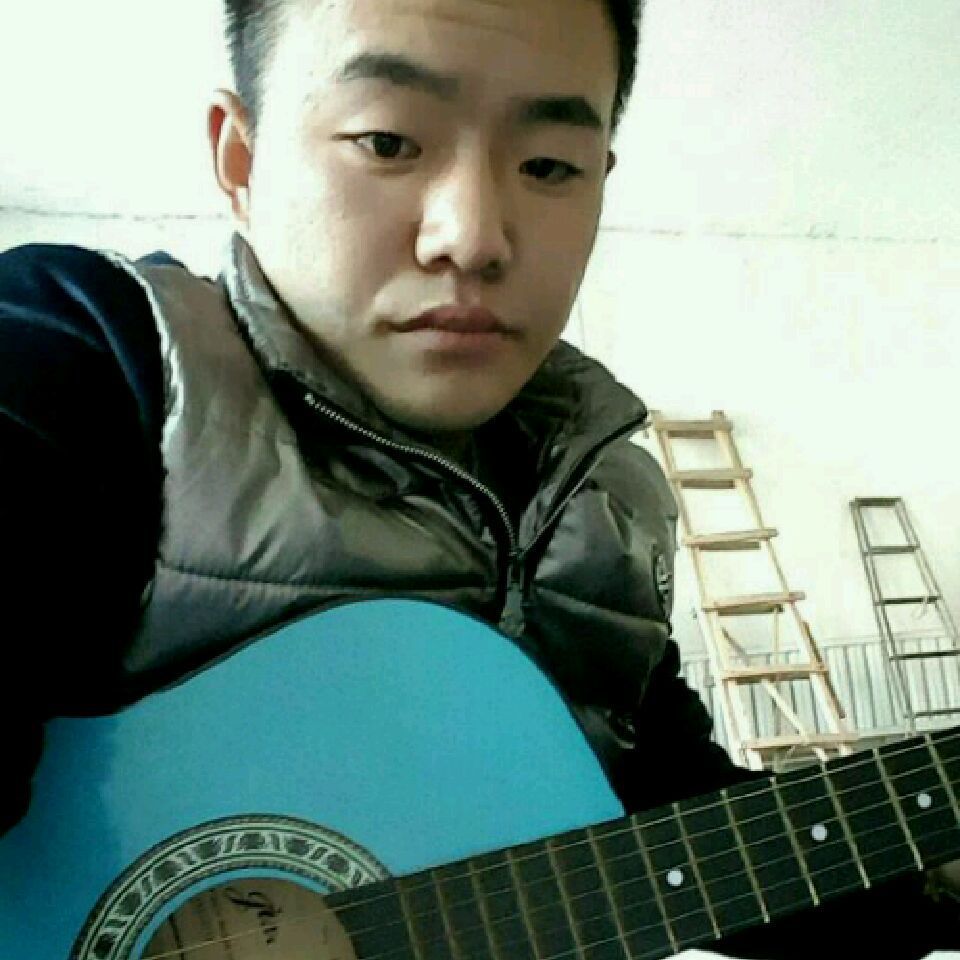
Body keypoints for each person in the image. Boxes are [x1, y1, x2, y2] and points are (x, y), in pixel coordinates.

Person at [0, 0, 955, 956]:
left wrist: (932, 878)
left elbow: (674, 843)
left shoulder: (597, 505)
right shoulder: (86, 360)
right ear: (241, 159)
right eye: (387, 141)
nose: (472, 237)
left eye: (549, 166)